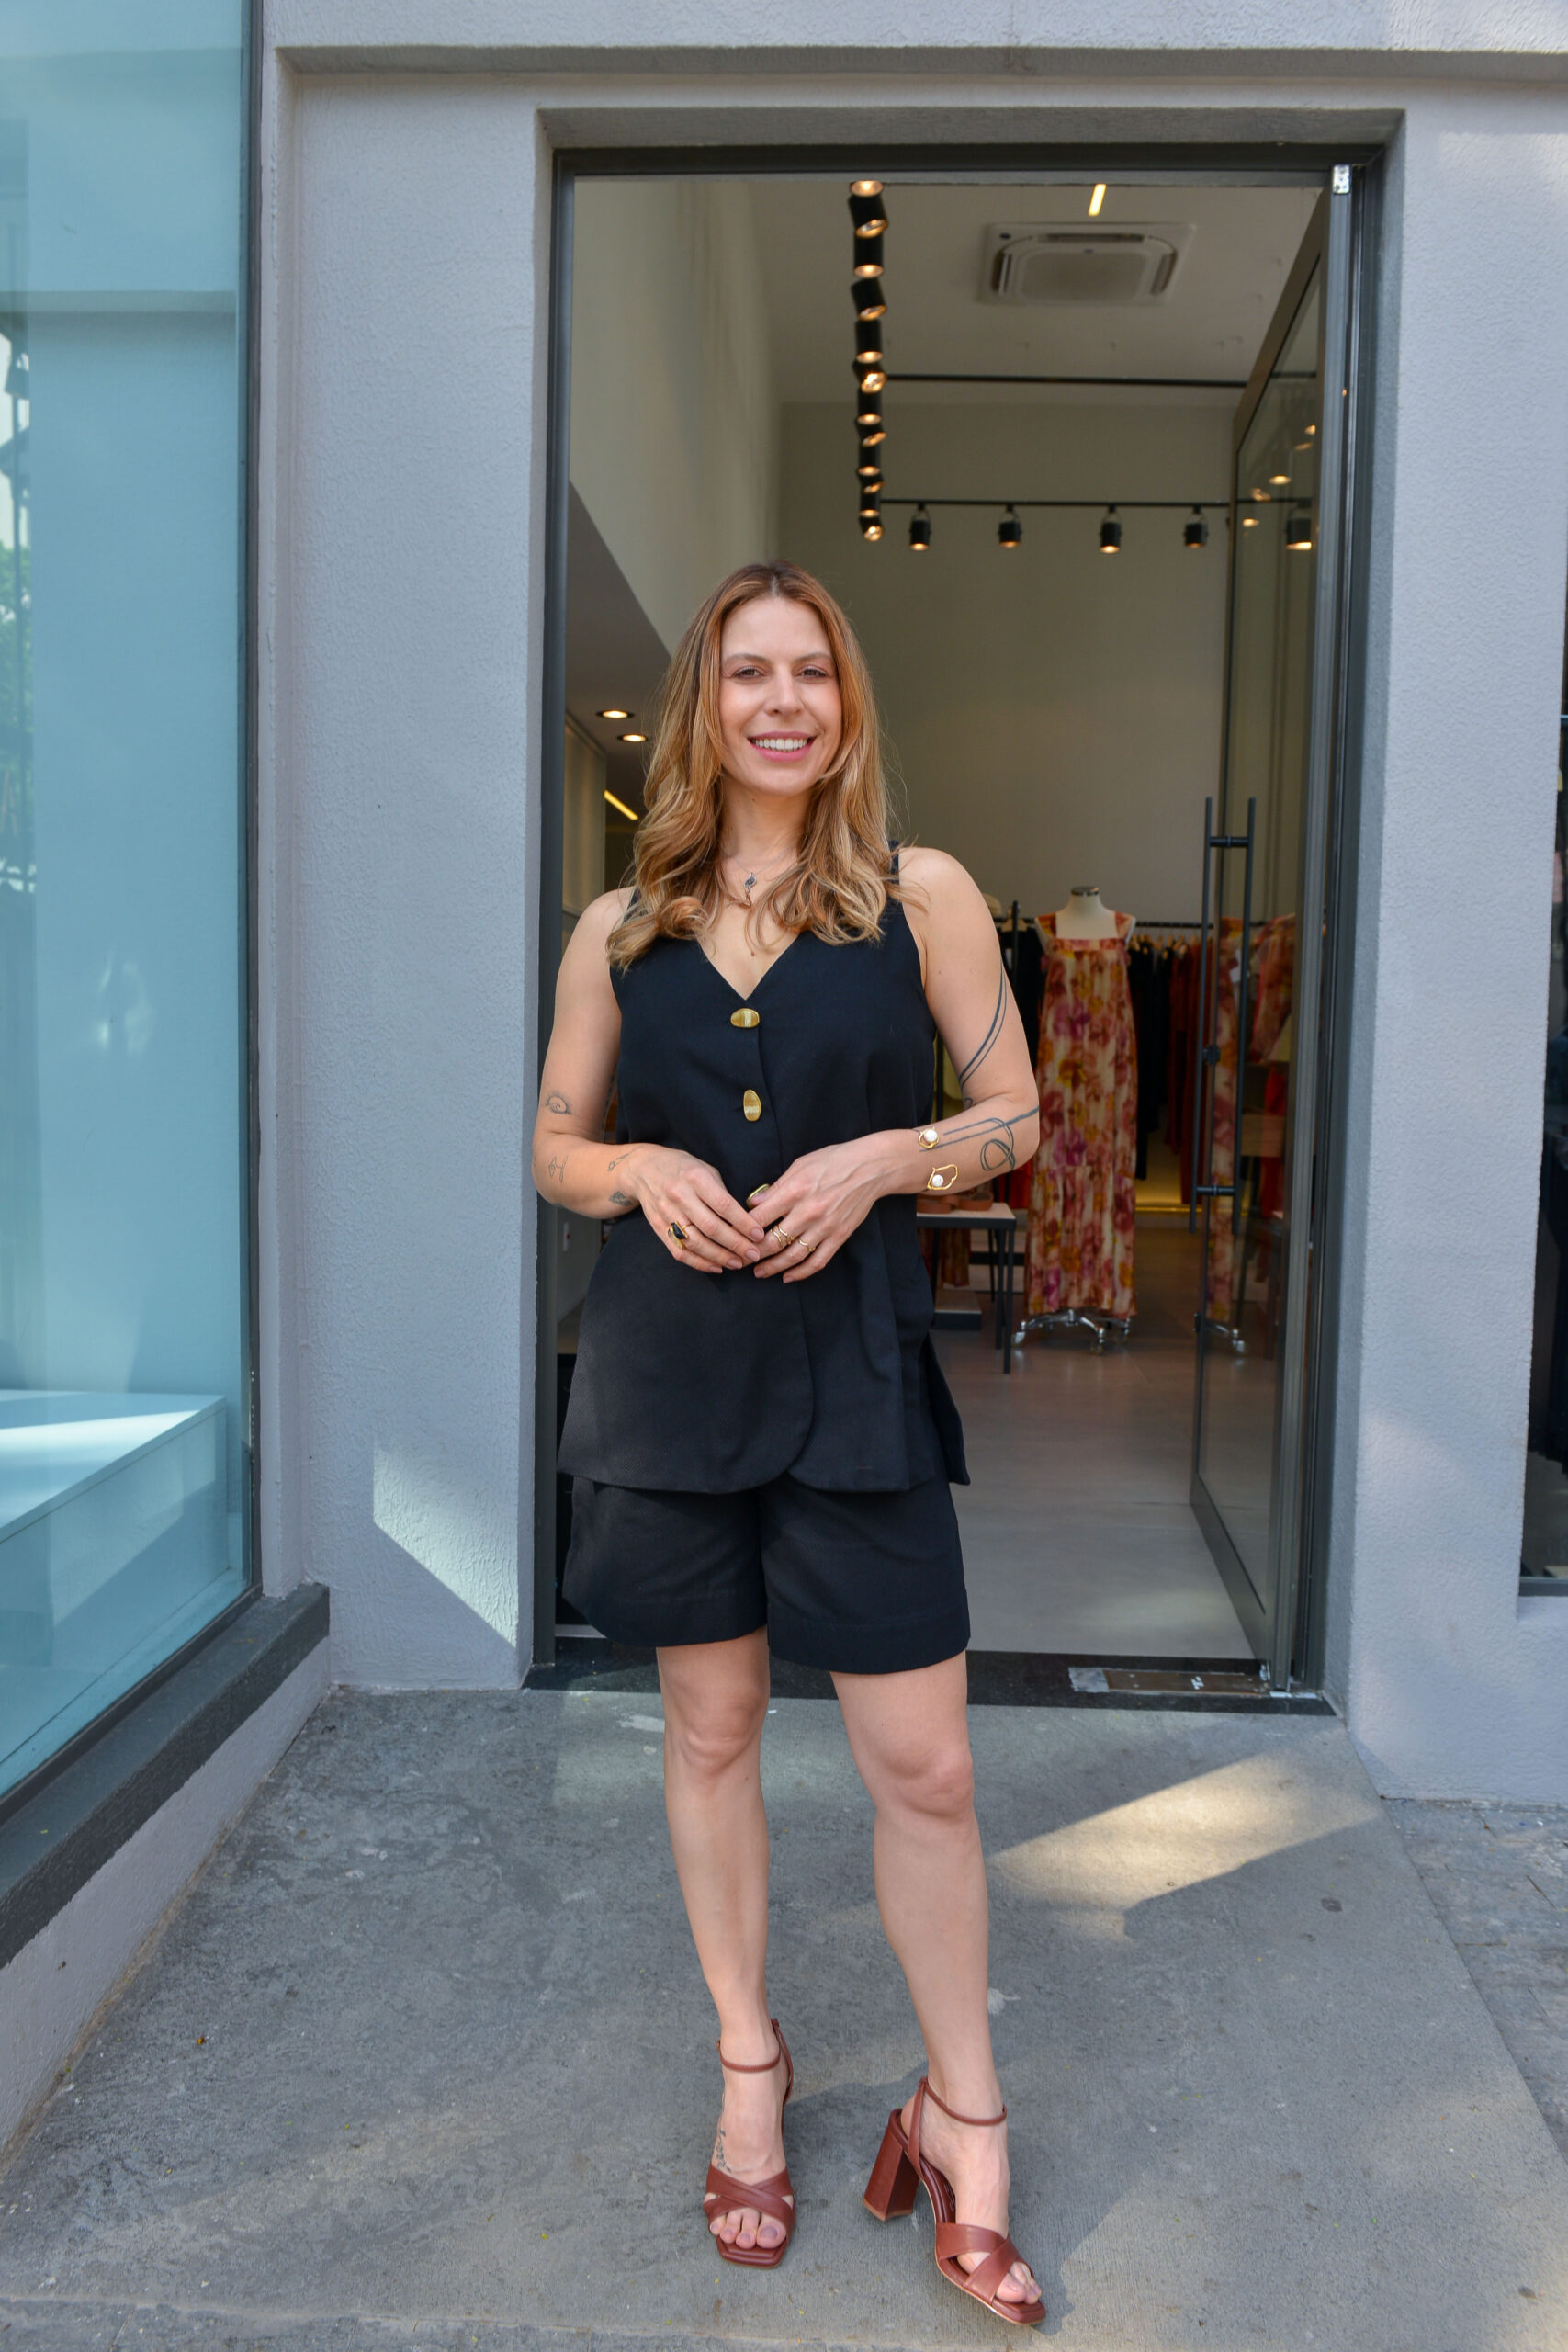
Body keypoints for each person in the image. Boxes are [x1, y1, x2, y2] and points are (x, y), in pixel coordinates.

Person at [533, 560, 1044, 2325]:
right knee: (713, 1729)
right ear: (704, 702)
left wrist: (893, 1157)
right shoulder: (621, 929)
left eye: (810, 672)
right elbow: (555, 1146)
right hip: (672, 1380)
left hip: (857, 1375)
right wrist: (634, 1167)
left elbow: (1016, 1115)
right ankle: (749, 2065)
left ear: (846, 701)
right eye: (748, 672)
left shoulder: (923, 895)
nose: (781, 702)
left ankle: (962, 2113)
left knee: (930, 1768)